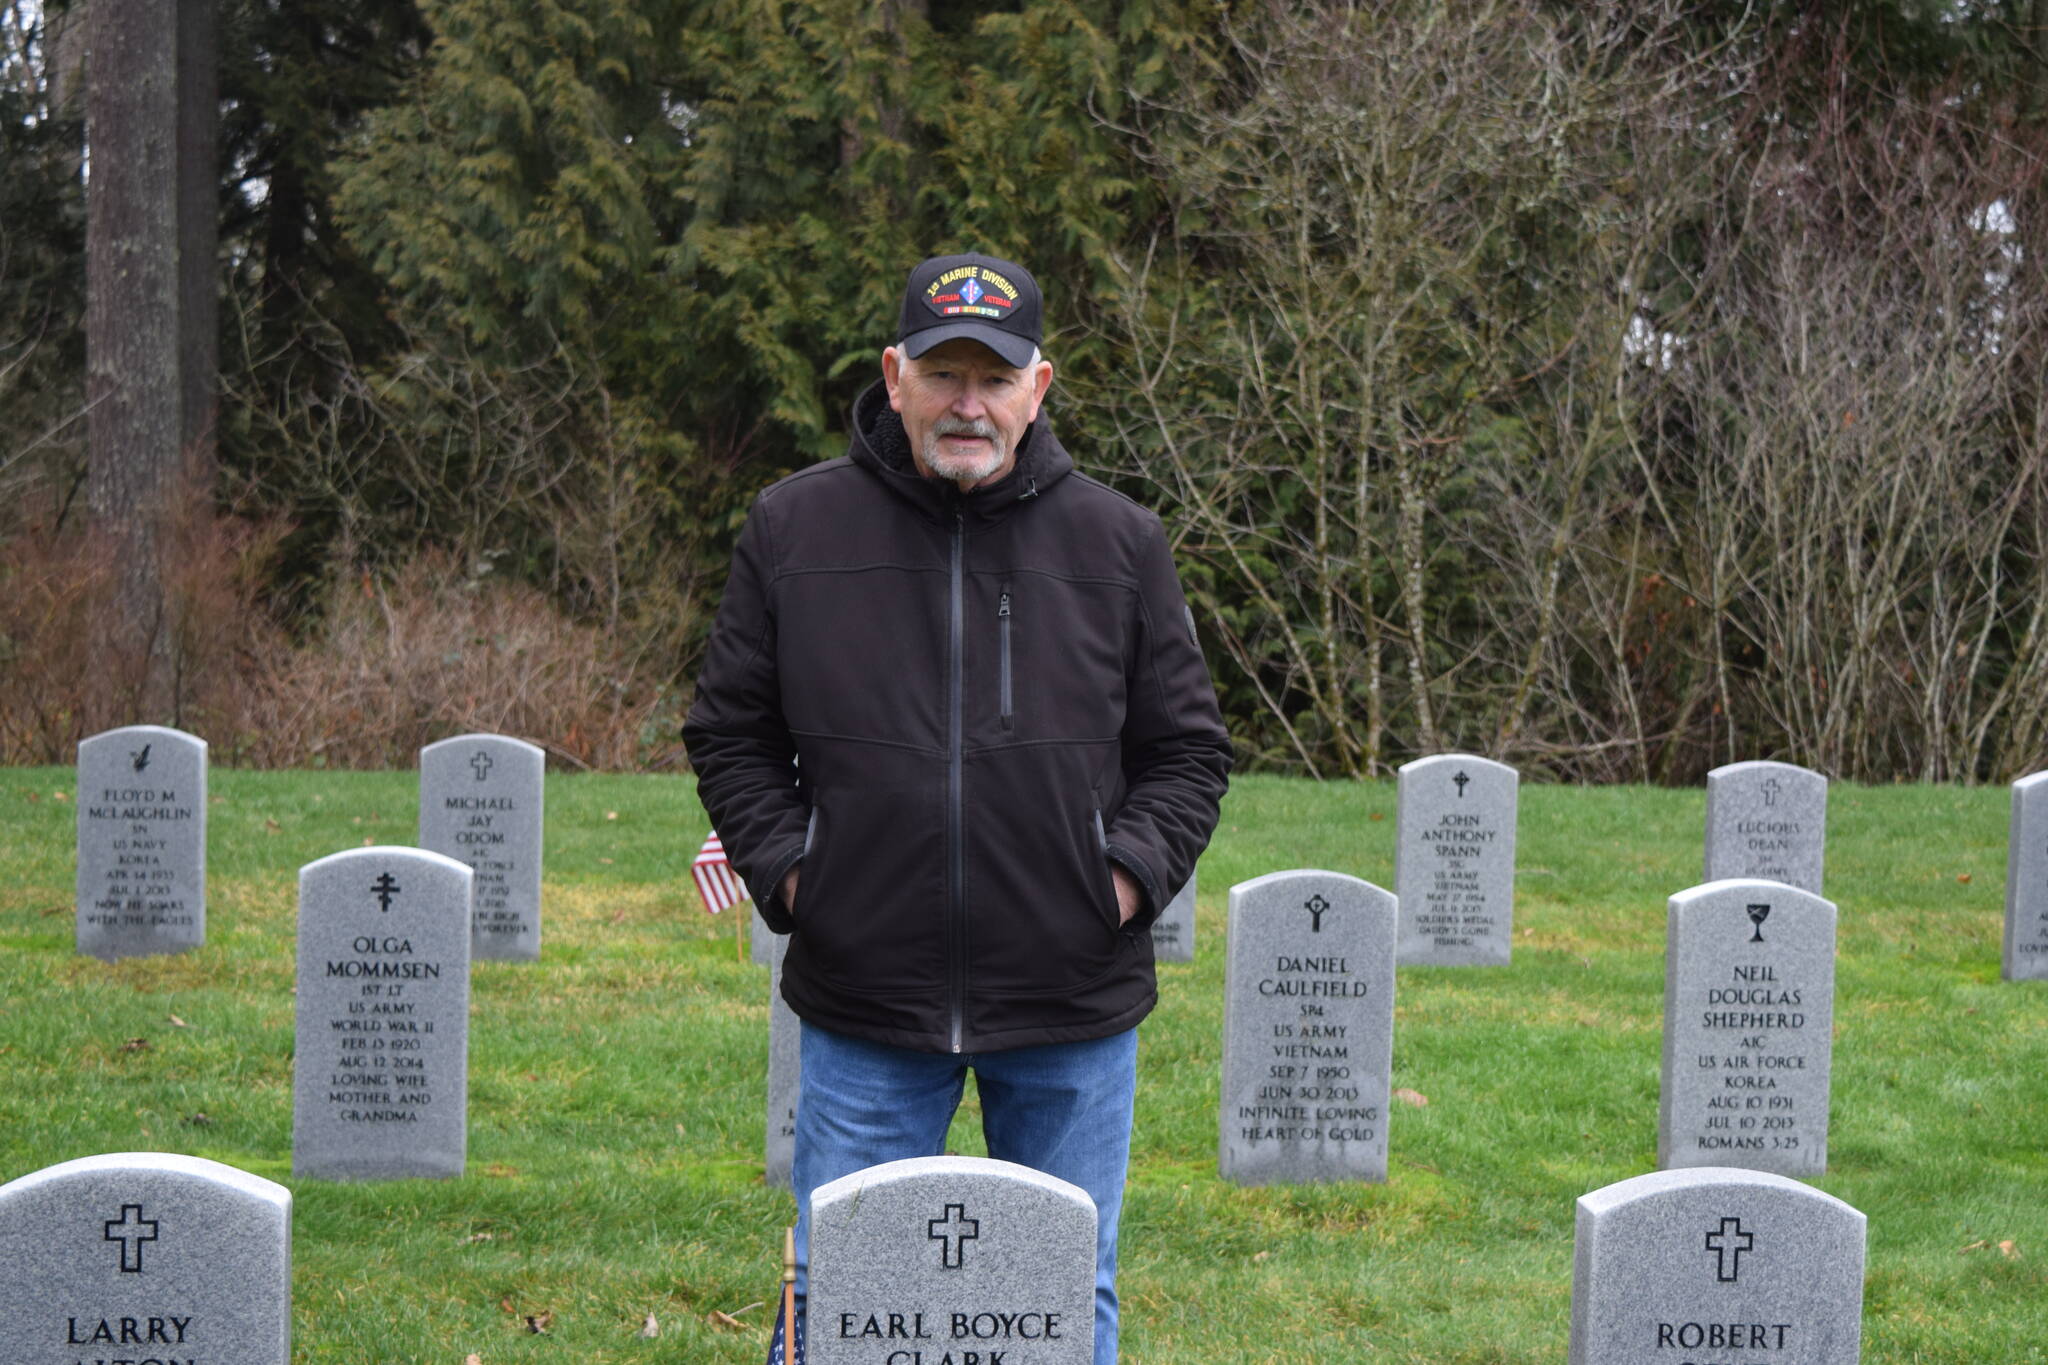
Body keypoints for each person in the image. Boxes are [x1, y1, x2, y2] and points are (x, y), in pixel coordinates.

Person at [684, 251, 1231, 1365]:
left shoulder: (1118, 545)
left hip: (1070, 999)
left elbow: (1185, 753)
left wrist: (1113, 881)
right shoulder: (795, 530)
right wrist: (800, 877)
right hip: (865, 1000)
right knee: (847, 1299)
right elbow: (729, 732)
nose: (968, 403)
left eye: (995, 376)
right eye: (943, 374)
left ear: (1039, 387)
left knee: (1063, 1302)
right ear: (894, 377)